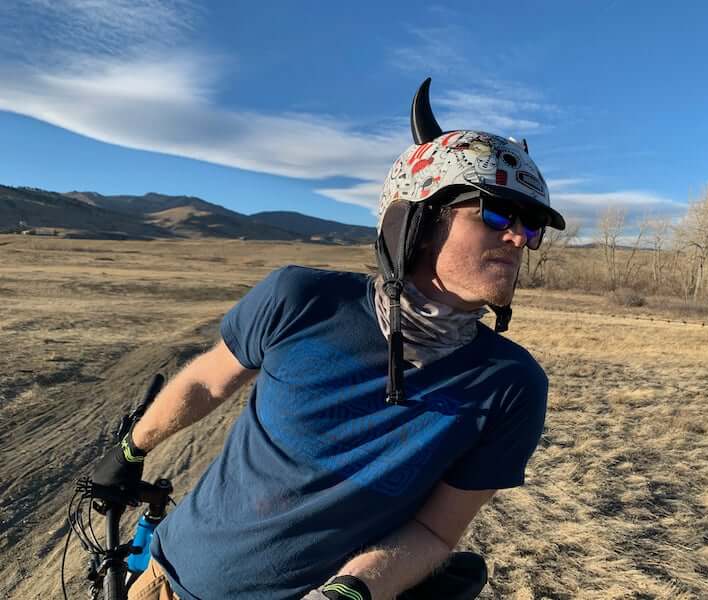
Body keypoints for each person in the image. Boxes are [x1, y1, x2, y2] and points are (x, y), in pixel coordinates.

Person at [92, 78, 566, 600]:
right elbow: (207, 381)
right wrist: (131, 449)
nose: (519, 238)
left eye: (532, 226)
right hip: (165, 577)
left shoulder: (510, 385)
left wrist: (348, 592)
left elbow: (436, 532)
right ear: (416, 220)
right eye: (496, 213)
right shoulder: (302, 299)